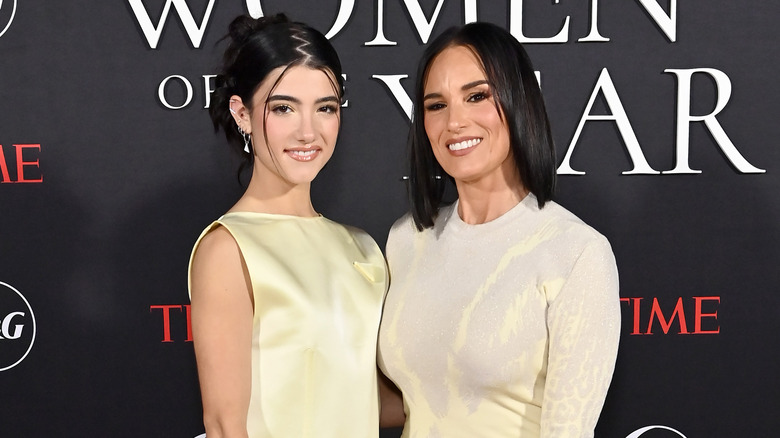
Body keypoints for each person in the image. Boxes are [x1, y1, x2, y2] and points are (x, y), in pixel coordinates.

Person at [377, 22, 620, 437]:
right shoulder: (406, 239)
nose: (455, 122)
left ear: (517, 101)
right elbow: (409, 399)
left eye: (476, 97)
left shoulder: (576, 253)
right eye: (437, 105)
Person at [188, 14, 387, 438]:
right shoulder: (228, 248)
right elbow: (225, 426)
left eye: (326, 108)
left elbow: (365, 395)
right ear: (242, 112)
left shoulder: (363, 247)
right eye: (283, 108)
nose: (307, 132)